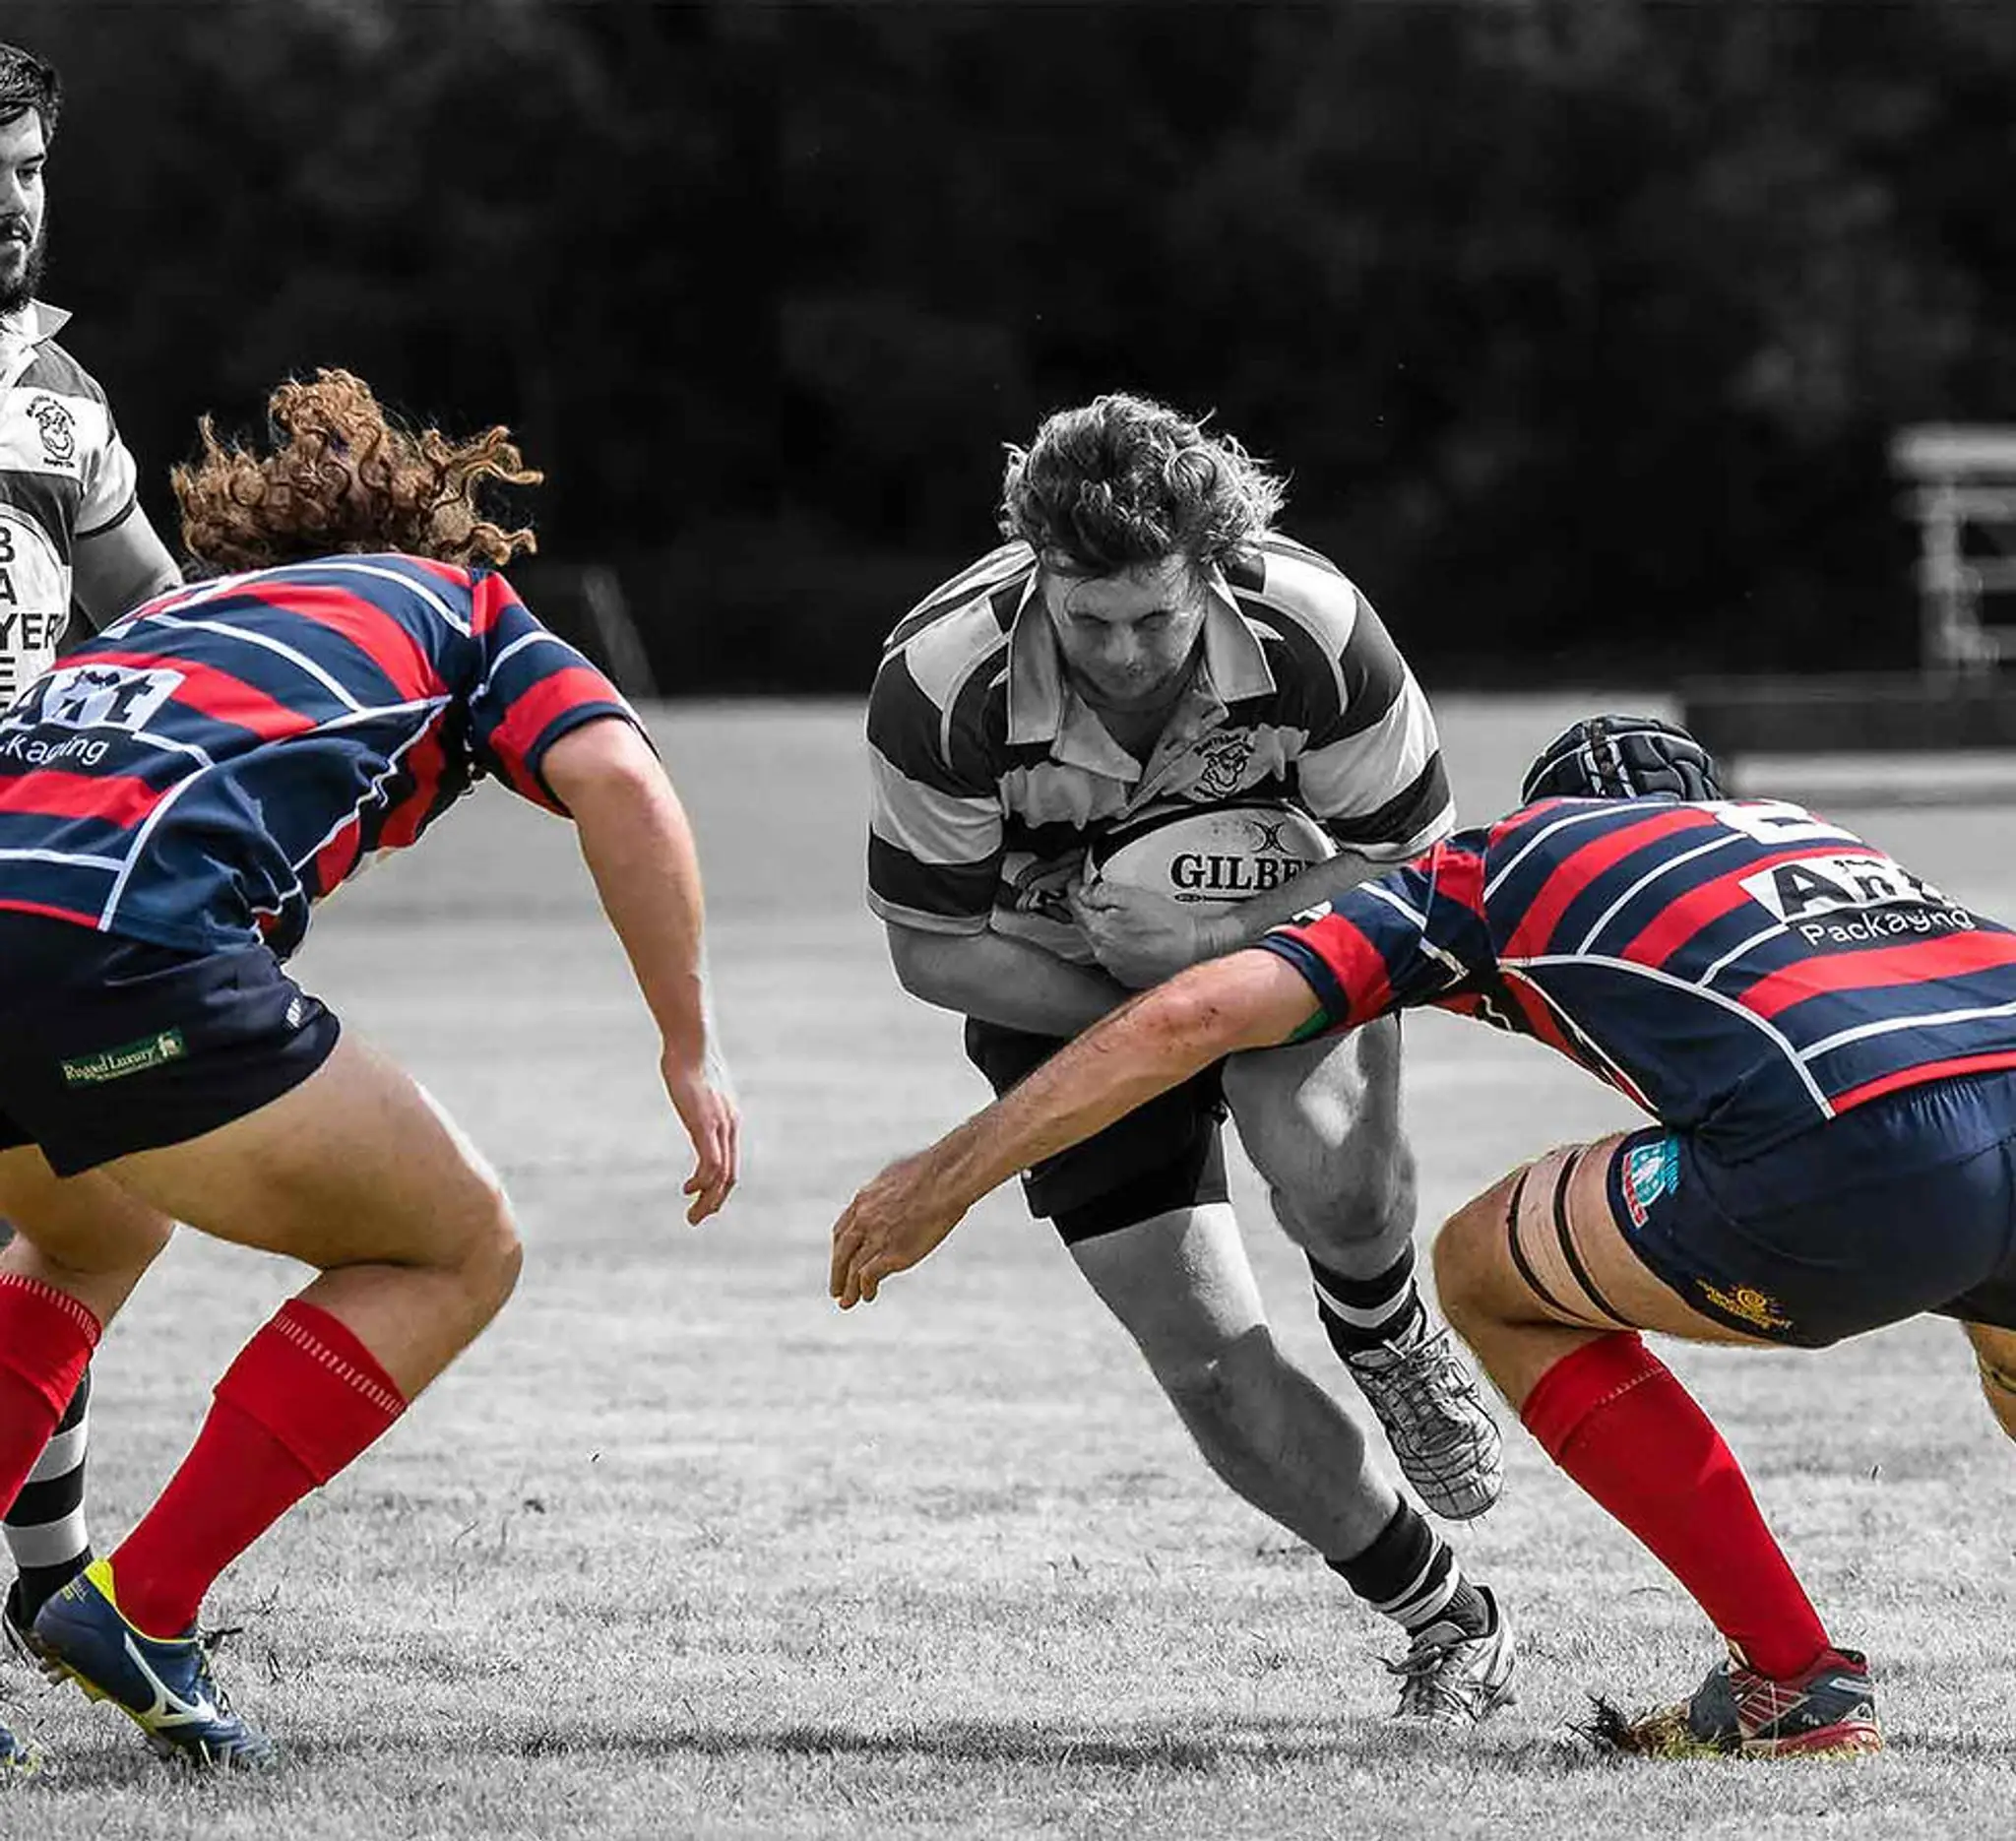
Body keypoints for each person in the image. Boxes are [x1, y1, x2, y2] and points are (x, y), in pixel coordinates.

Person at [833, 714, 2016, 1759]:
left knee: (1483, 1273)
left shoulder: (1509, 861)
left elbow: (1194, 1017)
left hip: (1857, 1149)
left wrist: (945, 1177)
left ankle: (1791, 1678)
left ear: (1550, 808)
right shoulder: (1807, 838)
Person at [0, 367, 738, 1769]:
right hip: (121, 948)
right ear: (435, 536)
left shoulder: (164, 611)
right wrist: (689, 1044)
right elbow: (622, 779)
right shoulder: (454, 609)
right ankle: (140, 1605)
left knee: (90, 1221)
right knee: (457, 1245)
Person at [860, 394, 1512, 1722]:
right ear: (1036, 570)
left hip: (1281, 934)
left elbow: (1419, 870)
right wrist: (1138, 1003)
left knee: (1325, 1165)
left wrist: (1214, 946)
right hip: (1054, 990)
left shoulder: (1318, 632)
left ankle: (1385, 1332)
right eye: (1085, 619)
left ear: (1211, 571)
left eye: (1155, 618)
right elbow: (932, 948)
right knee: (1211, 1372)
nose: (1123, 652)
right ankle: (1451, 1616)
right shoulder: (942, 680)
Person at [0, 41, 185, 1757]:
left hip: (35, 870)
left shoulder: (57, 393)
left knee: (77, 1214)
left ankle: (49, 1580)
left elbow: (147, 606)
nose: (11, 200)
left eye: (33, 165)